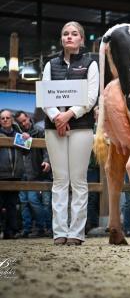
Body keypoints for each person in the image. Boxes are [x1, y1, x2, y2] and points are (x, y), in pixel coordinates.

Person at [42, 21, 99, 246]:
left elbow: (91, 97)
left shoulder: (90, 64)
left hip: (81, 128)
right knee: (59, 181)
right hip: (53, 128)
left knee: (78, 181)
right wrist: (57, 116)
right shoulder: (50, 65)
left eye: (74, 34)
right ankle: (59, 232)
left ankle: (76, 232)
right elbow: (46, 96)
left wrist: (69, 115)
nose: (69, 37)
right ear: (61, 39)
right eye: (65, 33)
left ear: (81, 40)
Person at [15, 110, 52, 238]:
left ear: (29, 118)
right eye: (20, 122)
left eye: (24, 120)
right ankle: (29, 228)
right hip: (22, 173)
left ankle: (43, 227)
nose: (23, 123)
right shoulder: (16, 132)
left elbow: (46, 148)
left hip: (37, 172)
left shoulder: (39, 130)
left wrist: (46, 161)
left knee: (35, 201)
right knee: (24, 202)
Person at [0, 109, 28, 239]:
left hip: (15, 175)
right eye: (2, 118)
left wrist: (27, 139)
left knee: (12, 205)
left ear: (12, 120)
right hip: (1, 175)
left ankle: (10, 232)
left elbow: (26, 151)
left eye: (7, 118)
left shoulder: (19, 135)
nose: (5, 120)